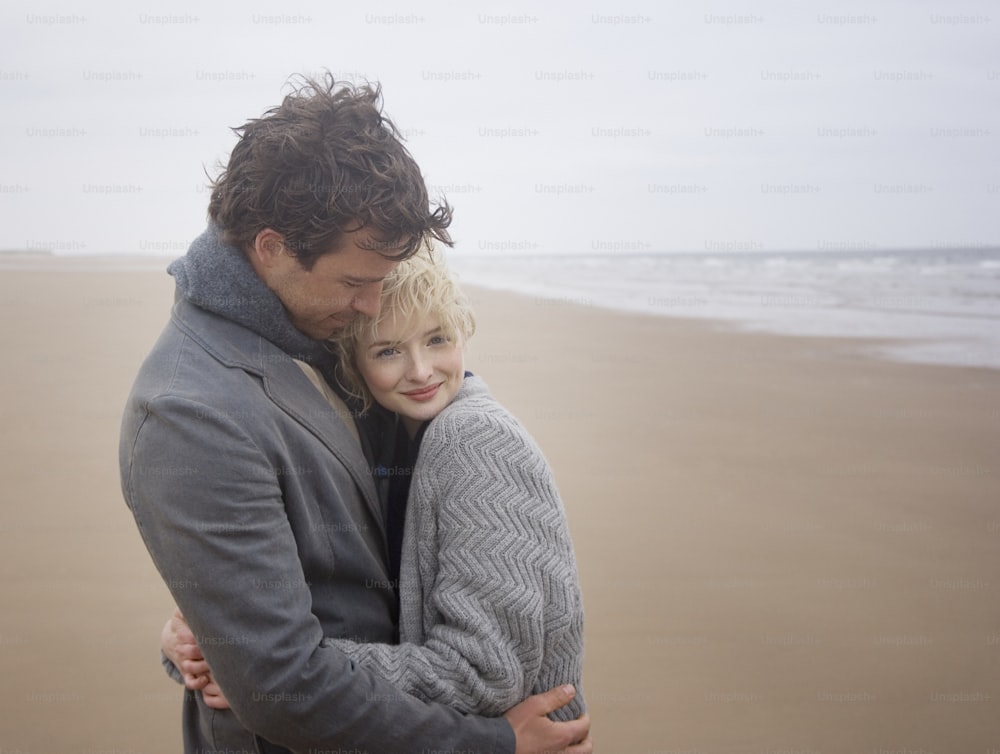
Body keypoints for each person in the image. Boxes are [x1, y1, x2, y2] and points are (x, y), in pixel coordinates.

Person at [119, 73, 591, 754]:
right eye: (355, 283)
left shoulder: (316, 330)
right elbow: (281, 685)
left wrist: (209, 633)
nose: (372, 307)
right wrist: (493, 745)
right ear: (272, 248)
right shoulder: (192, 413)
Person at [164, 248, 586, 723]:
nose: (422, 370)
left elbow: (482, 673)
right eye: (388, 350)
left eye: (438, 339)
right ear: (354, 365)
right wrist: (198, 635)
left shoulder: (476, 440)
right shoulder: (382, 443)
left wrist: (270, 671)